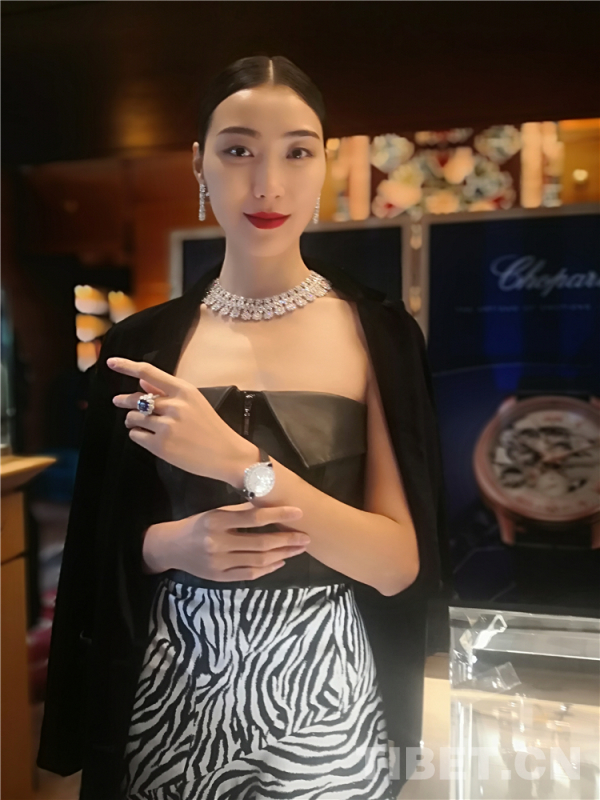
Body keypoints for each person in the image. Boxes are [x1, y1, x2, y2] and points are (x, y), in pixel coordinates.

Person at [38, 54, 450, 800]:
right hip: (171, 683)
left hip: (322, 690)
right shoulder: (140, 345)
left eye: (297, 152)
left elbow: (397, 564)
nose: (267, 184)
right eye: (237, 150)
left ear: (325, 166)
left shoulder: (379, 335)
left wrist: (240, 464)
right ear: (199, 163)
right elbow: (99, 545)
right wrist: (171, 545)